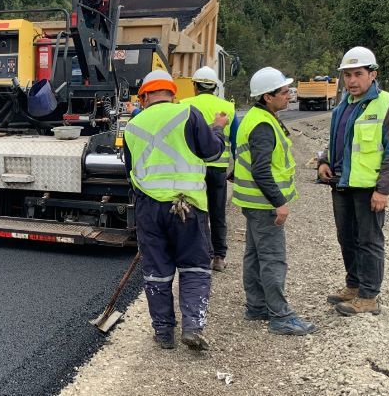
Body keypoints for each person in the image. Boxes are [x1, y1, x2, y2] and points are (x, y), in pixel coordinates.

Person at [123, 69, 228, 351]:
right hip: (187, 206)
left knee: (157, 270)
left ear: (143, 97)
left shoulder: (131, 127)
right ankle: (192, 326)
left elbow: (129, 170)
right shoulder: (188, 114)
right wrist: (217, 130)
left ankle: (163, 333)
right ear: (173, 93)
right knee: (194, 266)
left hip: (148, 209)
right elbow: (212, 152)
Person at [318, 46, 389, 316]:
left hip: (368, 189)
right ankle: (354, 285)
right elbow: (338, 143)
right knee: (347, 238)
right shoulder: (342, 105)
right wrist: (323, 160)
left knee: (369, 241)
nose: (352, 80)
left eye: (358, 74)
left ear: (372, 74)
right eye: (347, 75)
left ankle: (369, 296)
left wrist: (383, 190)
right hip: (342, 183)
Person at [232, 67, 316, 336]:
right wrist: (279, 202)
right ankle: (280, 316)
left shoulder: (258, 118)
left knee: (255, 255)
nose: (288, 96)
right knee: (273, 258)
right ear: (267, 97)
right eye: (283, 92)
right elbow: (261, 169)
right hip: (264, 204)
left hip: (254, 203)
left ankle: (256, 306)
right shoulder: (263, 125)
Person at [180, 66, 238, 271]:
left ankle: (201, 254)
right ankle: (219, 257)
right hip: (218, 170)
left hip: (194, 171)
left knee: (197, 212)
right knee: (217, 212)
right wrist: (237, 167)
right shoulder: (228, 108)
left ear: (194, 85)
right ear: (214, 87)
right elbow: (236, 140)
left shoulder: (183, 105)